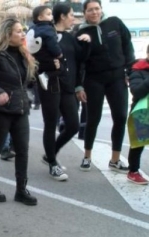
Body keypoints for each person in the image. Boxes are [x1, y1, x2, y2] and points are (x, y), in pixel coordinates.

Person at [0, 18, 37, 205]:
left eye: (22, 30)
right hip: (0, 110)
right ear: (7, 34)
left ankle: (21, 190)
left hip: (20, 109)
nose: (22, 34)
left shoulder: (22, 54)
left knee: (22, 151)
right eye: (18, 31)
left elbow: (25, 81)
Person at [76, 0, 135, 172]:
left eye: (97, 9)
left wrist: (129, 71)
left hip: (117, 78)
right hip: (93, 80)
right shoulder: (80, 32)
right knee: (93, 118)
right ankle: (87, 156)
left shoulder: (115, 22)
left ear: (101, 9)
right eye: (90, 10)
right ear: (85, 13)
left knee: (121, 116)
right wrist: (78, 86)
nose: (94, 12)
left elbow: (127, 46)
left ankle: (115, 160)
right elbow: (78, 62)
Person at [37, 3, 91, 181]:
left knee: (73, 125)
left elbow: (81, 59)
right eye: (71, 16)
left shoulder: (70, 37)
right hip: (50, 86)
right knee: (50, 124)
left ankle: (51, 153)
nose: (73, 19)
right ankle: (53, 163)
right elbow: (36, 58)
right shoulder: (46, 33)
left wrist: (85, 43)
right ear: (62, 17)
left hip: (68, 88)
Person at [127, 44, 149, 185]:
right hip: (143, 112)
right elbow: (136, 91)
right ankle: (133, 171)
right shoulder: (138, 69)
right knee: (138, 143)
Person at [28, 5, 63, 90]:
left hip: (34, 56)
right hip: (46, 56)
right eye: (48, 14)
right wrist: (59, 54)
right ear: (40, 17)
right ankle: (46, 76)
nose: (52, 16)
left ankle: (31, 81)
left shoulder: (32, 28)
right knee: (59, 68)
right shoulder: (48, 29)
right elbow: (52, 44)